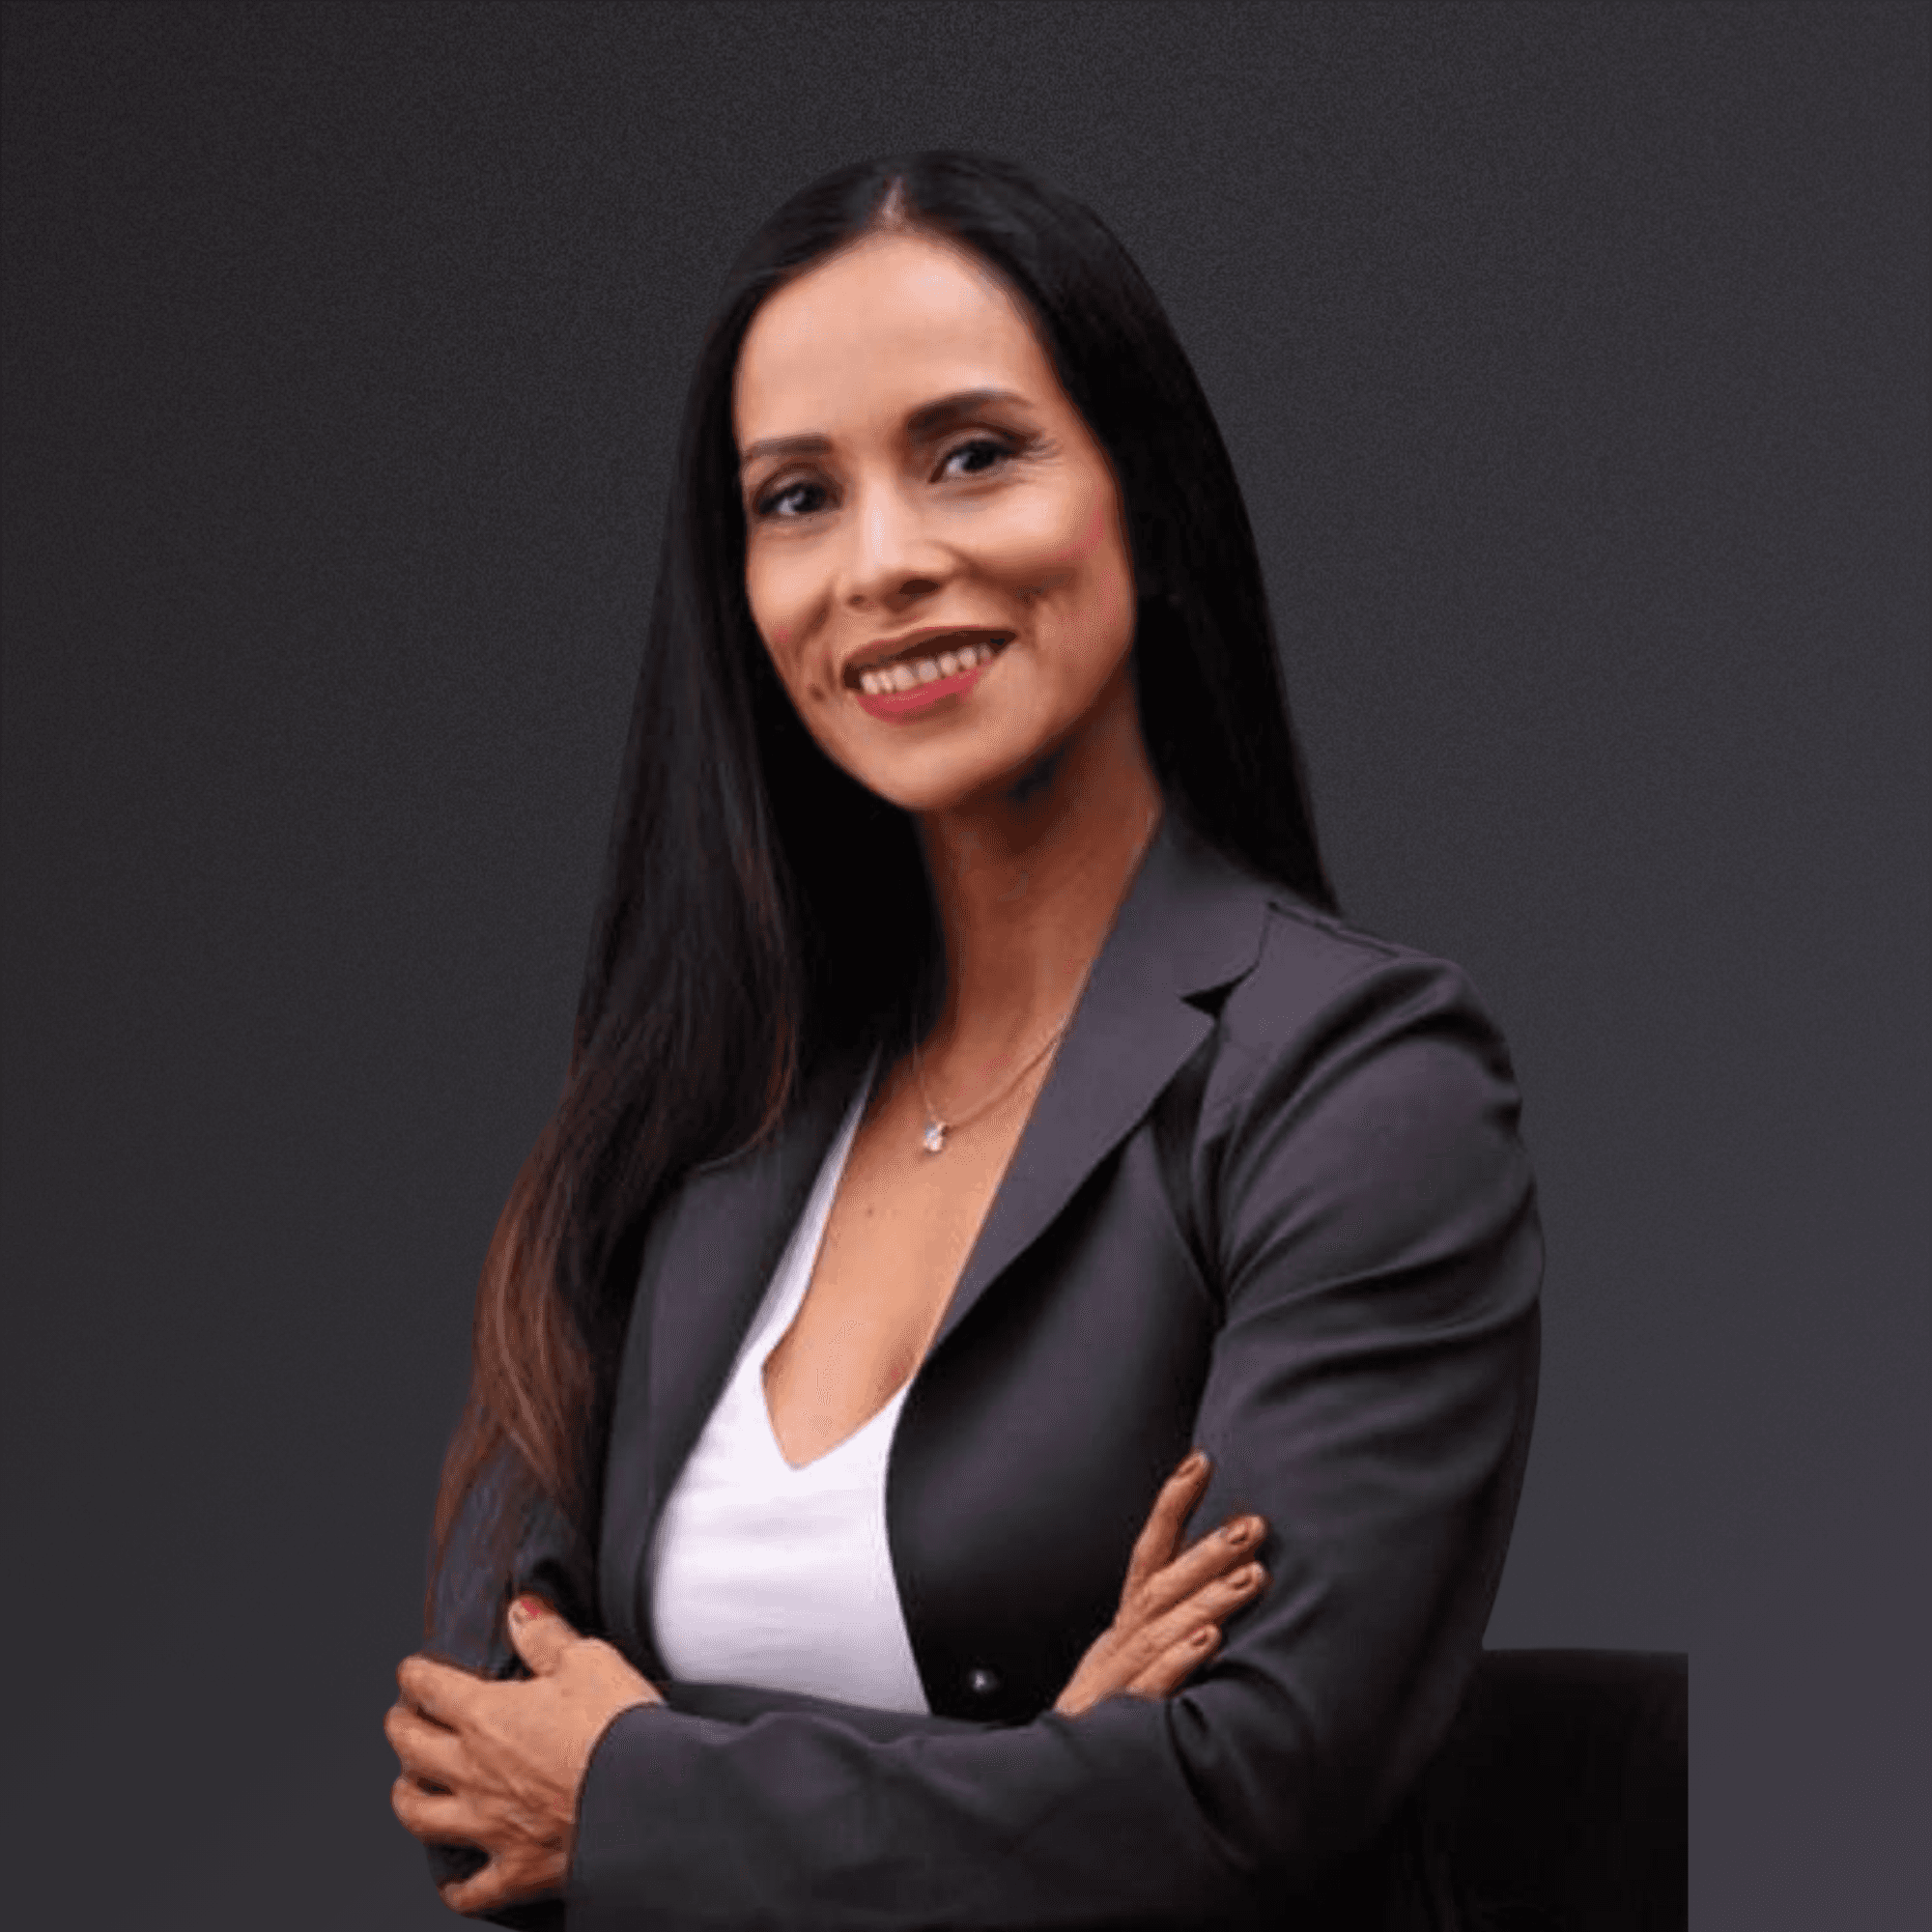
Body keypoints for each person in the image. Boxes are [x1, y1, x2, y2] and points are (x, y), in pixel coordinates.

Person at [384, 150, 1541, 1929]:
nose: (886, 565)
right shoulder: (705, 1103)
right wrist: (1048, 1773)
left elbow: (1246, 1796)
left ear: (1139, 496)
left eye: (973, 454)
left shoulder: (1358, 1082)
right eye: (795, 497)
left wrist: (647, 1791)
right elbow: (483, 1774)